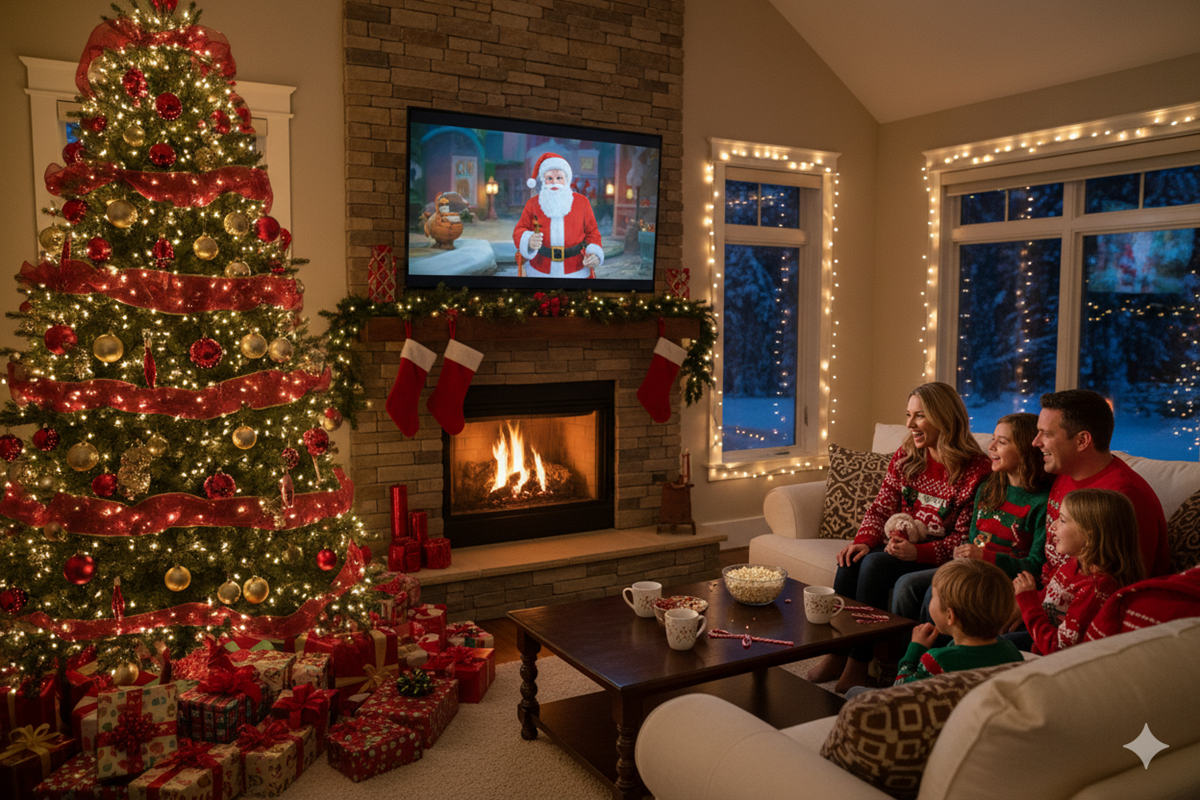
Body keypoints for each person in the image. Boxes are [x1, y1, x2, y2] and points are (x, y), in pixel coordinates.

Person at [808, 382, 991, 692]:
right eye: (908, 415)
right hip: (899, 546)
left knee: (875, 565)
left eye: (919, 416)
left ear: (944, 417)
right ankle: (838, 653)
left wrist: (918, 553)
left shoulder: (976, 470)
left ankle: (859, 662)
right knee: (851, 561)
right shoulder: (907, 455)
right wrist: (864, 540)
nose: (910, 425)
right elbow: (881, 506)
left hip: (936, 556)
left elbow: (964, 539)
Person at [891, 412, 1053, 626]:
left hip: (1005, 579)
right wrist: (965, 553)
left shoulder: (1042, 501)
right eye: (993, 439)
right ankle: (909, 646)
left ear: (1025, 449)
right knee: (906, 585)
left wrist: (986, 557)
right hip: (974, 569)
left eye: (1001, 442)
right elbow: (974, 539)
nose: (991, 447)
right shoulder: (989, 487)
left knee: (936, 594)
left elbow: (1036, 565)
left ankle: (937, 647)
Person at [1034, 389, 1170, 581]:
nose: (1035, 442)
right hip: (1047, 590)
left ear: (1082, 441)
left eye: (1047, 434)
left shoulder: (1124, 498)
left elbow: (1119, 588)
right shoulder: (1065, 469)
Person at [1014, 488, 1145, 654]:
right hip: (1038, 640)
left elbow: (1057, 648)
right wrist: (1023, 600)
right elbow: (1048, 603)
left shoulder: (1097, 588)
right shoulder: (1074, 563)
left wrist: (1029, 605)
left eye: (1062, 520)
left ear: (1089, 536)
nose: (1053, 526)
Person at [895, 559, 1025, 684]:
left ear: (950, 616)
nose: (931, 599)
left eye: (933, 596)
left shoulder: (937, 662)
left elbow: (901, 688)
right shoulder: (1012, 652)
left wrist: (915, 649)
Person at [513, 152, 604, 278]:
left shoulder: (582, 202)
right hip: (540, 270)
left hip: (575, 271)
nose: (554, 182)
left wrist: (594, 253)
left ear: (566, 179)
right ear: (543, 180)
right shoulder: (532, 204)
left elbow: (592, 232)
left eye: (559, 178)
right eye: (549, 178)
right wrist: (528, 240)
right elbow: (519, 230)